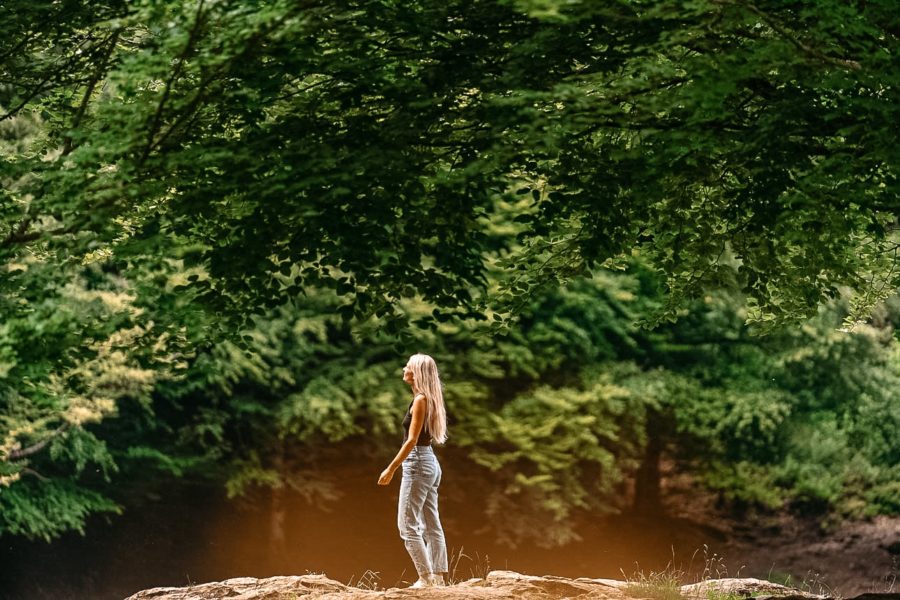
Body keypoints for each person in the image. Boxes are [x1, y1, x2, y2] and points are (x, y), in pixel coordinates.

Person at [377, 353, 449, 588]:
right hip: (430, 462)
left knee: (407, 525)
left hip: (418, 462)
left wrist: (390, 468)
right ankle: (437, 578)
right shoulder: (429, 398)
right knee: (431, 522)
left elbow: (411, 441)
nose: (404, 369)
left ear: (416, 373)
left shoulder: (420, 400)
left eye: (408, 366)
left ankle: (425, 578)